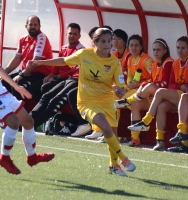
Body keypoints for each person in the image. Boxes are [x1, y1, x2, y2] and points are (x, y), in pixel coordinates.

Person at [28, 28, 136, 176]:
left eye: (109, 41)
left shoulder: (114, 62)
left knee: (113, 135)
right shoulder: (85, 54)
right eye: (103, 41)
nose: (107, 44)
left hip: (106, 101)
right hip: (87, 101)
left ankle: (113, 165)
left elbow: (121, 85)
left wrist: (120, 91)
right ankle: (124, 159)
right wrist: (40, 62)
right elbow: (63, 61)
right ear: (95, 42)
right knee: (105, 127)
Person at [128, 36, 188, 152]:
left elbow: (167, 84)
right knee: (161, 107)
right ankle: (160, 141)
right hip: (177, 95)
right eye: (178, 48)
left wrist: (183, 87)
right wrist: (181, 86)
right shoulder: (176, 63)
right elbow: (171, 84)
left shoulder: (179, 62)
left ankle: (146, 120)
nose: (179, 50)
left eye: (183, 48)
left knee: (159, 91)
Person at [29, 23, 91, 136]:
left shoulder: (82, 50)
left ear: (79, 36)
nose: (72, 36)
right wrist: (51, 75)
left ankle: (32, 124)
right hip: (68, 80)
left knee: (54, 100)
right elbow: (58, 64)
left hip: (75, 80)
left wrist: (57, 76)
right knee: (45, 94)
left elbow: (74, 69)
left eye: (75, 34)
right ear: (66, 34)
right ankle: (28, 120)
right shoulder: (64, 48)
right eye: (70, 33)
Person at [115, 38, 173, 147]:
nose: (155, 52)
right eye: (154, 50)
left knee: (149, 87)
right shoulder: (154, 63)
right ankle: (135, 139)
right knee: (135, 104)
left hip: (168, 96)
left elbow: (165, 83)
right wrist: (135, 86)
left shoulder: (166, 62)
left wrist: (141, 85)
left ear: (165, 51)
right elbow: (130, 79)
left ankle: (127, 101)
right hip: (153, 94)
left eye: (158, 50)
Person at [0, 65, 54, 175]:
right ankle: (4, 157)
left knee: (28, 122)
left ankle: (32, 156)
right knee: (14, 122)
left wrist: (16, 86)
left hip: (2, 92)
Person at [85, 28, 131, 140]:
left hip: (126, 88)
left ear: (124, 41)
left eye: (117, 39)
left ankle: (110, 133)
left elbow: (125, 75)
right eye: (113, 39)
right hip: (115, 86)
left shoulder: (129, 55)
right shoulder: (113, 54)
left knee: (112, 99)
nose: (114, 41)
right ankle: (97, 130)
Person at [114, 34, 154, 147]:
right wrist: (127, 86)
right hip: (136, 90)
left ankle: (128, 137)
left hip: (146, 91)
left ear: (141, 46)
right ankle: (114, 135)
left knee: (122, 100)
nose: (133, 48)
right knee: (113, 96)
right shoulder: (130, 58)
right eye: (131, 45)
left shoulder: (146, 60)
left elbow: (155, 79)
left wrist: (138, 84)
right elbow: (130, 78)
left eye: (136, 45)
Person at [2, 15, 53, 100]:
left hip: (41, 74)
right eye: (31, 24)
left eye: (35, 25)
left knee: (18, 85)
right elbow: (17, 58)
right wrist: (4, 74)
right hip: (27, 72)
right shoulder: (22, 39)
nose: (33, 27)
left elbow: (35, 62)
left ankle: (20, 112)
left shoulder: (41, 37)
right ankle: (7, 111)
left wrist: (21, 75)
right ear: (26, 26)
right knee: (4, 82)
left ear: (39, 26)